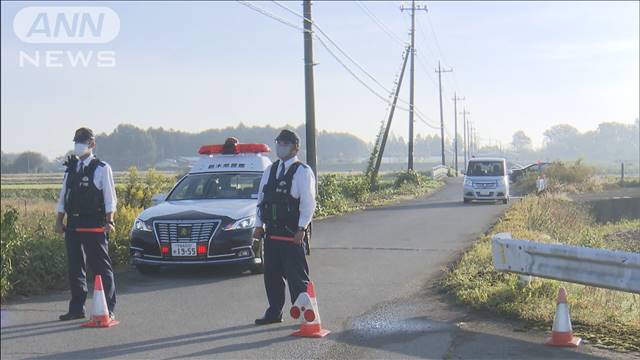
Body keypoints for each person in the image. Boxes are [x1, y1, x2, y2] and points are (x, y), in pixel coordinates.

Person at [253, 129, 316, 325]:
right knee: (271, 276)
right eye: (279, 143)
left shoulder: (303, 172)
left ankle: (306, 315)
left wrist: (302, 228)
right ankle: (274, 312)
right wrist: (258, 226)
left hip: (292, 234)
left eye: (285, 143)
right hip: (271, 234)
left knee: (296, 277)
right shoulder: (270, 170)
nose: (281, 147)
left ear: (296, 147)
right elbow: (261, 200)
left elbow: (308, 203)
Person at [55, 127, 118, 321]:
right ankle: (76, 307)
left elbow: (110, 199)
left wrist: (110, 221)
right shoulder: (71, 168)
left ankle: (108, 307)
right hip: (73, 223)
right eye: (76, 142)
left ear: (92, 144)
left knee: (100, 266)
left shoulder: (101, 168)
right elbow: (63, 197)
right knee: (75, 266)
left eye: (82, 142)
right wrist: (59, 221)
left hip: (94, 223)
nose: (78, 146)